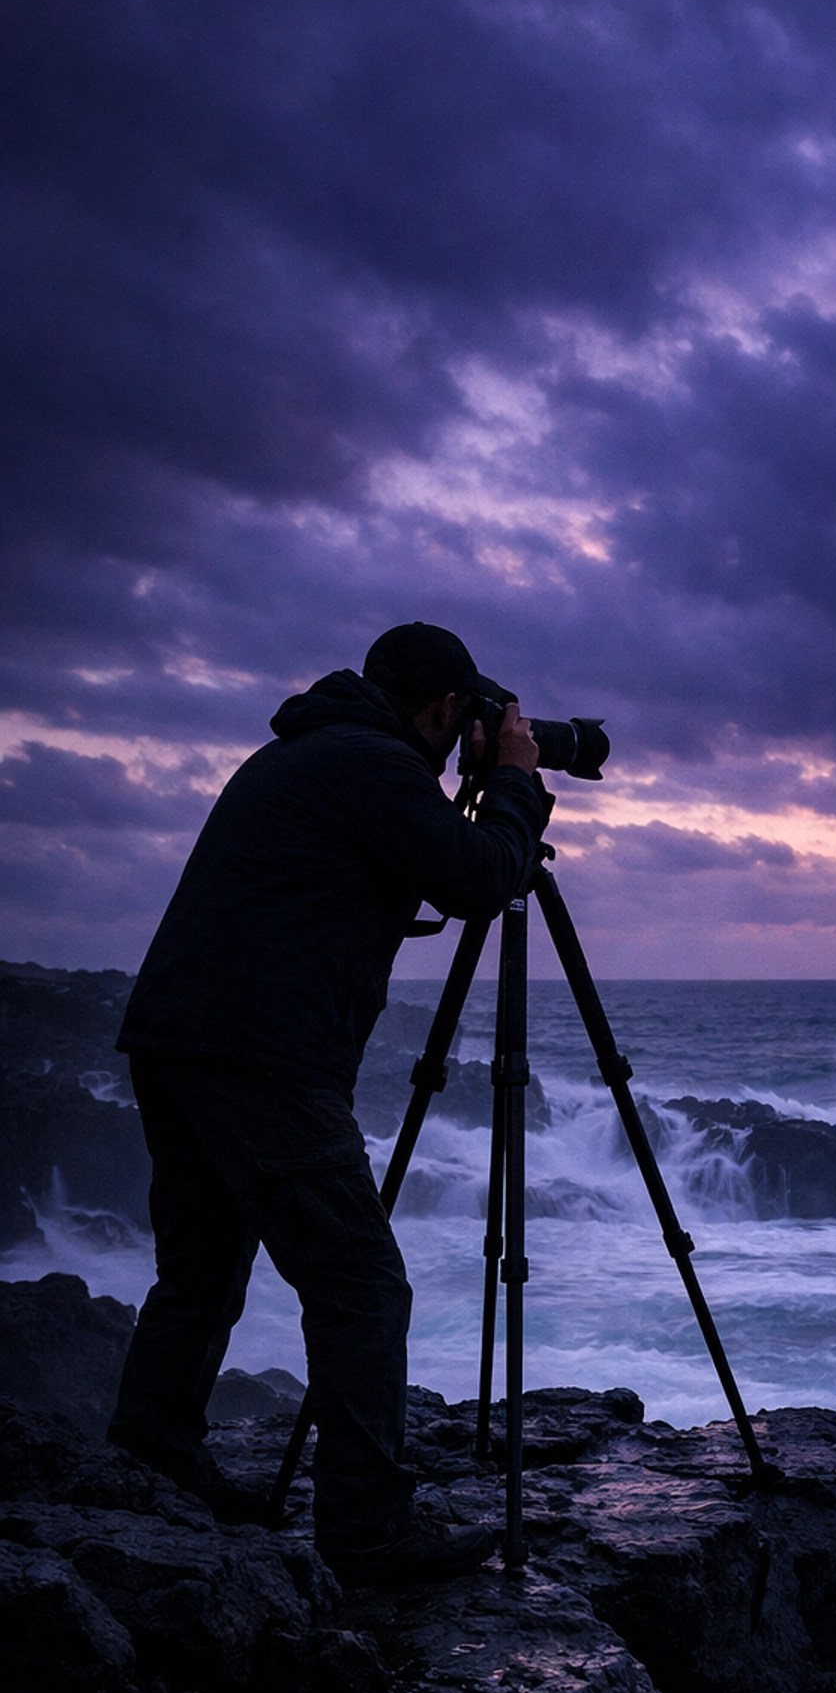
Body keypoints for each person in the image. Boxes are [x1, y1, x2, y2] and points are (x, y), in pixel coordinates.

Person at [106, 621, 548, 1586]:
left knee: (201, 1270)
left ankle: (147, 1466)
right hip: (261, 1057)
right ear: (446, 708)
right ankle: (368, 1531)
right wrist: (513, 783)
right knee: (360, 1287)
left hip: (180, 1039)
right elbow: (478, 880)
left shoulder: (306, 751)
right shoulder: (376, 767)